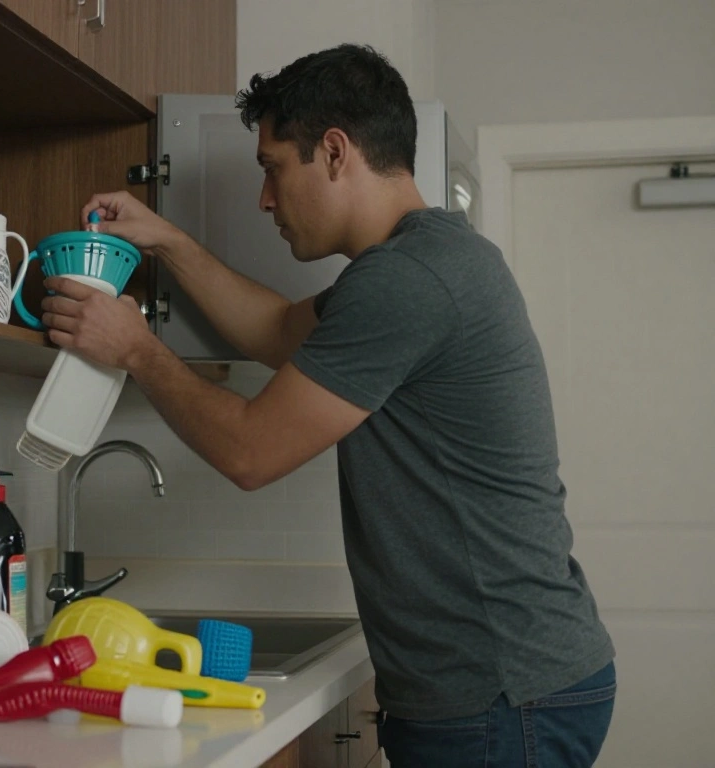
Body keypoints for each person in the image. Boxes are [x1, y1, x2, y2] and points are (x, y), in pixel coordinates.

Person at [40, 44, 616, 768]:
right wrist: (170, 243)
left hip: (500, 695)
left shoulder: (408, 282)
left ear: (336, 152)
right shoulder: (420, 264)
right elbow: (278, 331)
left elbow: (251, 453)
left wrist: (137, 351)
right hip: (512, 681)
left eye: (274, 168)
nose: (266, 199)